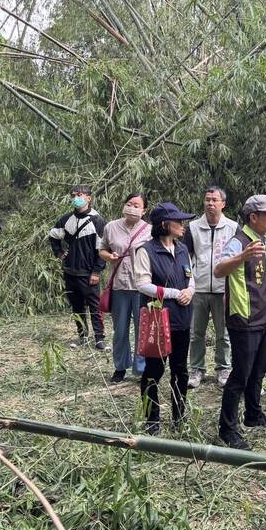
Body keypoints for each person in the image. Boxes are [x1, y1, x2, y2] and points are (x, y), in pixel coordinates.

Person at [215, 194, 266, 450]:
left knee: (258, 370)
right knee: (240, 374)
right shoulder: (239, 241)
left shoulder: (263, 239)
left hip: (265, 318)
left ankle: (253, 414)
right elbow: (219, 270)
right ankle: (227, 428)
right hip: (244, 319)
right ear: (253, 218)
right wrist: (241, 257)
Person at [134, 203, 196, 434]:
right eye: (178, 221)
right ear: (164, 225)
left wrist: (190, 291)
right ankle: (152, 419)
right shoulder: (146, 251)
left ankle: (179, 417)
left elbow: (191, 277)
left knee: (180, 370)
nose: (183, 225)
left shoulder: (182, 250)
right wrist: (172, 293)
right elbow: (142, 285)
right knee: (154, 371)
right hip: (158, 320)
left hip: (182, 318)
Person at [182, 186, 237, 389]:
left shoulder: (233, 227)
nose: (210, 204)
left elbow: (237, 260)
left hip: (224, 289)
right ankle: (196, 369)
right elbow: (186, 258)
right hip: (199, 288)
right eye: (207, 200)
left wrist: (232, 288)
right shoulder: (193, 227)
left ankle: (224, 368)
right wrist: (189, 284)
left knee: (224, 333)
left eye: (214, 200)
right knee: (196, 332)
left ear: (223, 204)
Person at [99, 193, 152, 383]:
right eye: (129, 204)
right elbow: (102, 249)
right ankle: (120, 367)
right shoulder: (111, 227)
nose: (132, 208)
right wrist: (108, 257)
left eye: (137, 205)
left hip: (142, 287)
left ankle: (142, 368)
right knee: (120, 329)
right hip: (120, 285)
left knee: (142, 329)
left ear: (144, 210)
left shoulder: (150, 230)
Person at [49, 185, 108, 350]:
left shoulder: (97, 220)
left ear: (89, 198)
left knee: (94, 307)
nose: (76, 197)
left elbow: (102, 249)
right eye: (73, 195)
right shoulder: (65, 219)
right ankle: (83, 336)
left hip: (88, 272)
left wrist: (97, 271)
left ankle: (99, 338)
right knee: (77, 306)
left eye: (80, 194)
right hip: (70, 271)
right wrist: (59, 253)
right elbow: (53, 236)